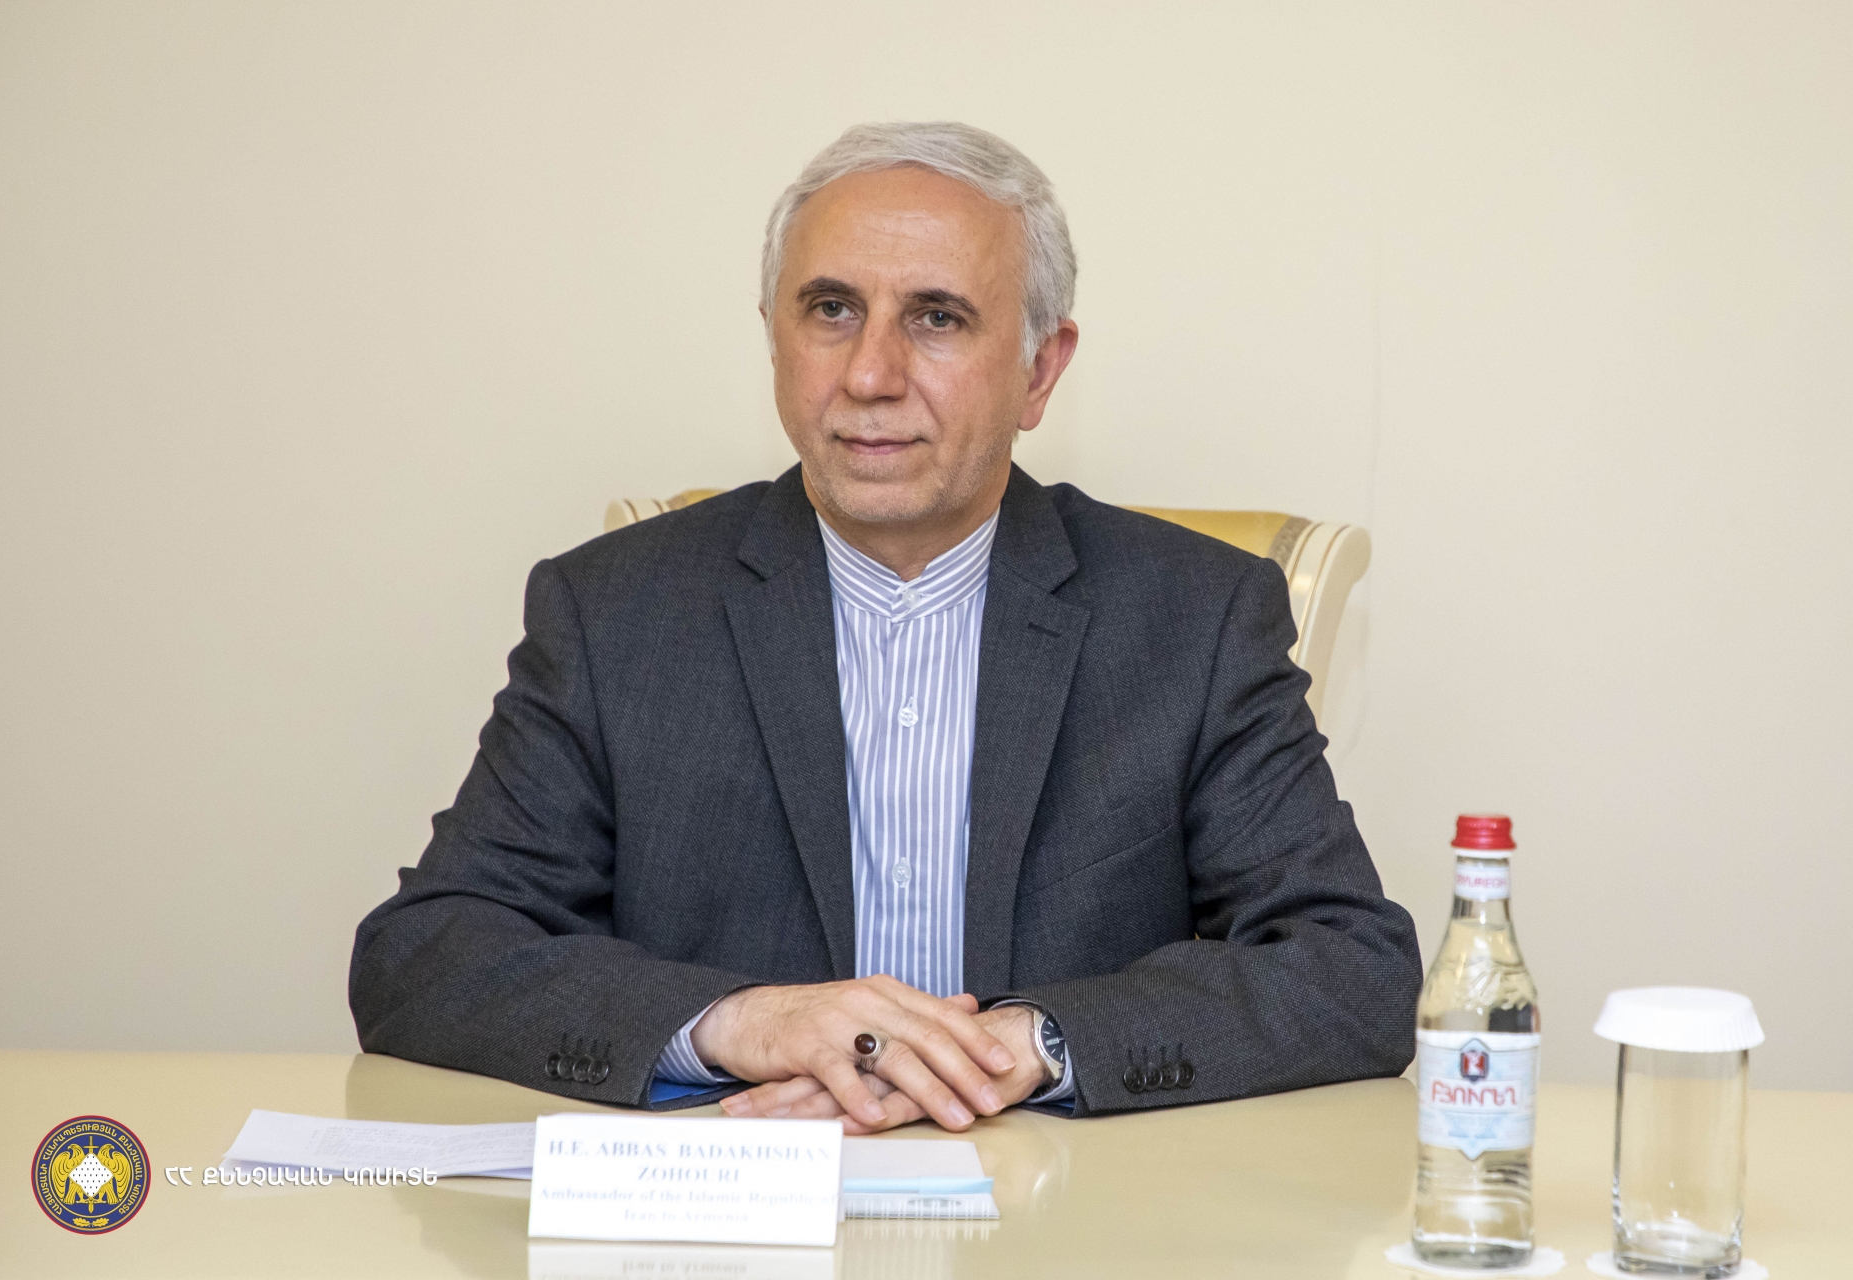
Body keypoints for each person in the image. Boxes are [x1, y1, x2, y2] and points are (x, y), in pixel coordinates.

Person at [350, 121, 1420, 1132]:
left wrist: (1024, 1046)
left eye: (937, 317)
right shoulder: (617, 612)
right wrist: (739, 1023)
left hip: (1069, 1209)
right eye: (830, 309)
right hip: (733, 1202)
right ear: (774, 339)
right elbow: (426, 953)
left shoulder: (1194, 617)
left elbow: (1350, 965)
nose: (869, 375)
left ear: (1040, 369)